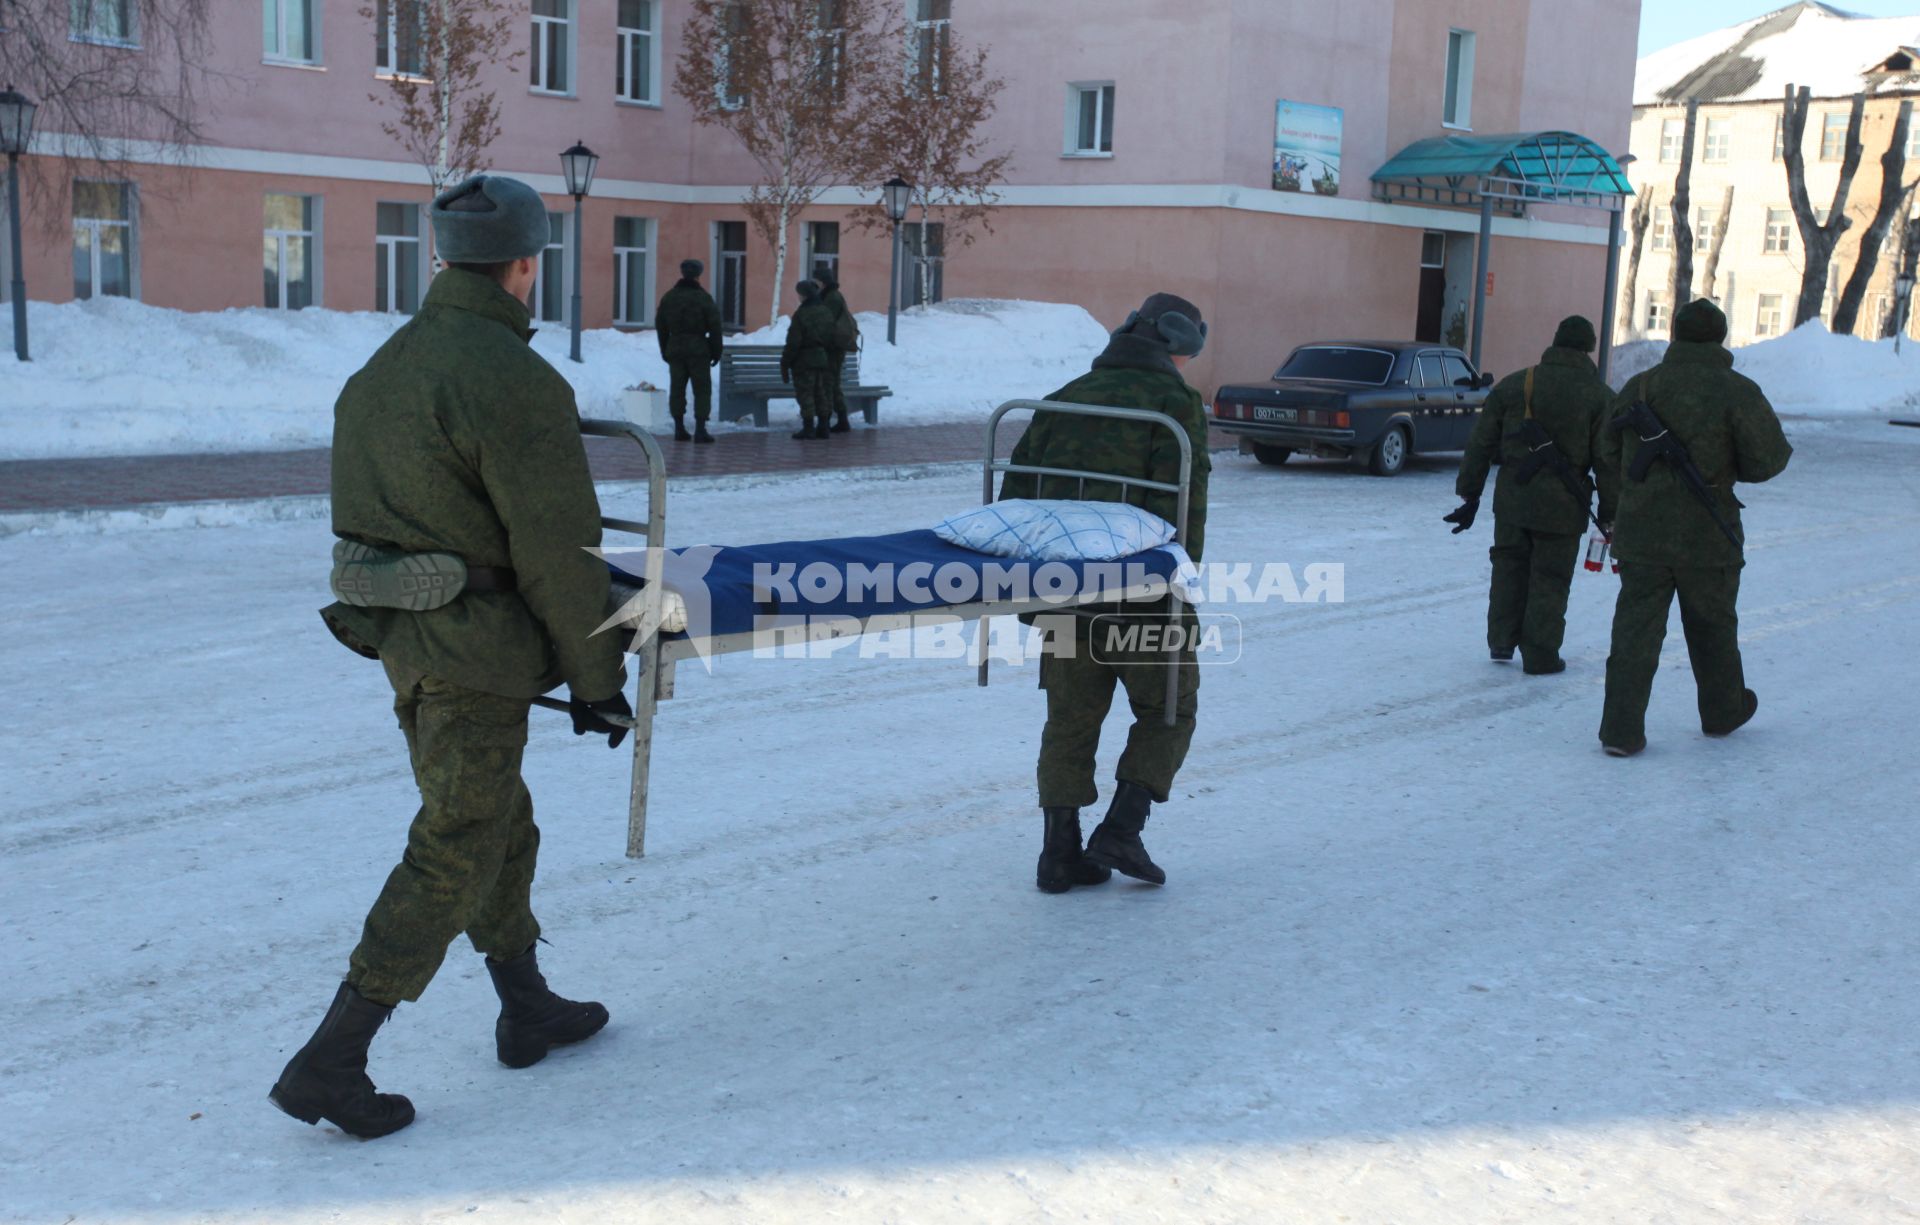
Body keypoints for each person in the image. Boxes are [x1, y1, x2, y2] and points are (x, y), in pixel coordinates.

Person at [270, 175, 634, 1140]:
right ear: (526, 264)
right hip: (474, 648)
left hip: (406, 637)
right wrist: (599, 681)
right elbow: (561, 556)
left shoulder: (383, 368)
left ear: (440, 256)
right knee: (458, 839)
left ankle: (526, 1002)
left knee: (496, 822)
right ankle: (333, 1058)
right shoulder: (514, 380)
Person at [999, 292, 1212, 891]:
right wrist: (1179, 589)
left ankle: (1058, 854)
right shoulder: (1174, 404)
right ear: (1176, 343)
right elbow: (1183, 511)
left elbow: (1016, 494)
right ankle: (1122, 829)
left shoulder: (1065, 395)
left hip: (1062, 593)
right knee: (1169, 708)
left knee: (1068, 719)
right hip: (1142, 594)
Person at [1596, 298, 1792, 757]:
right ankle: (1723, 712)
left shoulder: (1640, 387)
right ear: (1720, 337)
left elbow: (1605, 448)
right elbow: (1768, 461)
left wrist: (1638, 482)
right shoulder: (1738, 390)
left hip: (1642, 533)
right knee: (1713, 628)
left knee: (1634, 632)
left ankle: (1620, 732)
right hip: (1708, 535)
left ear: (1676, 334)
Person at [1444, 315, 1617, 674]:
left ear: (1554, 342)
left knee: (1508, 565)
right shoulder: (1599, 396)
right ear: (1589, 349)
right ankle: (1540, 655)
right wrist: (1611, 510)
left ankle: (1502, 641)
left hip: (1513, 498)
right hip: (1563, 505)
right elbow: (1607, 460)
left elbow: (1481, 443)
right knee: (1550, 577)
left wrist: (1469, 492)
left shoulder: (1515, 385)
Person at [655, 258, 725, 443]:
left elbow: (661, 326)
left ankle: (679, 428)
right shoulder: (703, 298)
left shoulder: (669, 297)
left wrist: (665, 349)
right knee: (701, 389)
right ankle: (700, 429)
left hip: (675, 348)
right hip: (698, 349)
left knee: (677, 388)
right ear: (698, 274)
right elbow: (715, 327)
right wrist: (716, 351)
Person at [782, 278, 838, 441]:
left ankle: (808, 428)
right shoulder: (825, 311)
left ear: (803, 295)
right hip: (822, 358)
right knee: (821, 393)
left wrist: (785, 362)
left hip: (804, 360)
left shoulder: (802, 314)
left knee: (805, 393)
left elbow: (793, 342)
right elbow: (831, 336)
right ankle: (823, 427)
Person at [815, 270, 859, 432]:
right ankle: (841, 419)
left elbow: (826, 321)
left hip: (832, 347)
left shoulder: (832, 297)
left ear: (823, 282)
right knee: (832, 384)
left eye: (817, 281)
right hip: (832, 346)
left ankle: (829, 421)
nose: (816, 285)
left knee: (829, 383)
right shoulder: (829, 295)